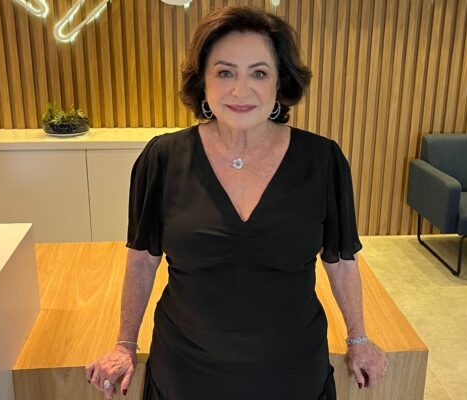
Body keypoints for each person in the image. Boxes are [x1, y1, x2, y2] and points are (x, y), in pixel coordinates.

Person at [86, 6, 388, 400]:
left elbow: (341, 259)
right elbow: (142, 258)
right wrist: (125, 344)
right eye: (225, 73)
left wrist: (358, 338)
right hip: (186, 371)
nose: (240, 91)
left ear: (280, 82)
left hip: (292, 370)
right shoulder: (162, 158)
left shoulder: (322, 160)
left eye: (258, 73)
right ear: (203, 82)